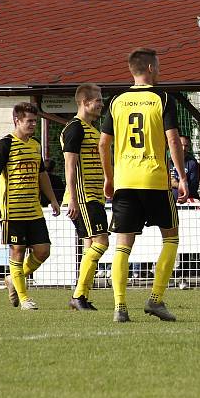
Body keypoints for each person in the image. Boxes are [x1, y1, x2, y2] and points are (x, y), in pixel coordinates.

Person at [99, 47, 188, 323]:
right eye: (158, 66)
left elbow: (104, 143)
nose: (160, 70)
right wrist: (182, 177)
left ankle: (120, 307)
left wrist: (109, 177)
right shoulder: (162, 98)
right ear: (150, 68)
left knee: (123, 246)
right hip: (155, 180)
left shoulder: (116, 101)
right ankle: (155, 299)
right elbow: (173, 140)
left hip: (125, 182)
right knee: (171, 238)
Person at [0, 102, 60, 310]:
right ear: (16, 120)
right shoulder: (6, 144)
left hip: (34, 209)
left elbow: (41, 174)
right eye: (29, 121)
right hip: (13, 209)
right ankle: (24, 297)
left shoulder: (36, 145)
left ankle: (12, 279)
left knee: (43, 251)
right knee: (17, 250)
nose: (33, 125)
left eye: (35, 121)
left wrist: (53, 199)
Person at [61, 83, 108, 311]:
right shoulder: (74, 128)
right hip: (83, 196)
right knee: (102, 241)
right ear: (83, 102)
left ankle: (81, 296)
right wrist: (73, 198)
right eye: (97, 100)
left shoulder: (93, 129)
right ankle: (78, 295)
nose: (101, 104)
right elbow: (70, 166)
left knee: (90, 245)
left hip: (94, 195)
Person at [171, 134, 200, 200]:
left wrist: (176, 184)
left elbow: (193, 187)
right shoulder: (168, 162)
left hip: (187, 203)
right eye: (181, 145)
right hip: (170, 202)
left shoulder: (192, 163)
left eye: (186, 146)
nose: (183, 148)